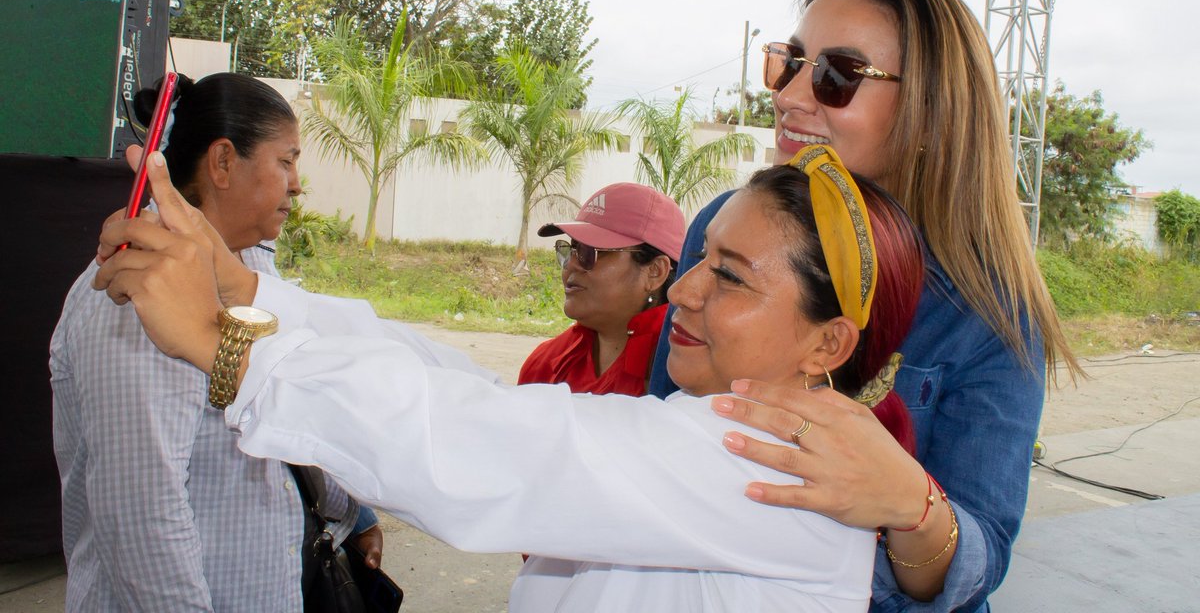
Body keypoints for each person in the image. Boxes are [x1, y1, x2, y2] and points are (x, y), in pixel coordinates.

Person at [95, 144, 925, 612]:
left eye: (732, 276)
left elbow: (492, 446)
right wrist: (247, 290)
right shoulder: (729, 430)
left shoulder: (774, 463)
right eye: (702, 257)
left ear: (829, 344)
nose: (683, 289)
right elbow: (485, 399)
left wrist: (222, 343)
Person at [646, 0, 1080, 610]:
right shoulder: (719, 224)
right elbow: (656, 428)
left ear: (929, 114)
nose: (789, 96)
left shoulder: (987, 309)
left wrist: (912, 505)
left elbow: (976, 562)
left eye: (837, 75)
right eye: (790, 63)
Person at [50, 73, 382, 612]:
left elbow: (292, 403)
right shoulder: (138, 289)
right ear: (223, 162)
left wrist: (350, 512)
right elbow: (142, 520)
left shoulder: (248, 265)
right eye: (286, 161)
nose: (297, 184)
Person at [518, 182, 683, 395]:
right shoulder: (544, 365)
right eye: (572, 249)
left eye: (592, 252)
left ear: (655, 272)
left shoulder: (683, 373)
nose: (571, 264)